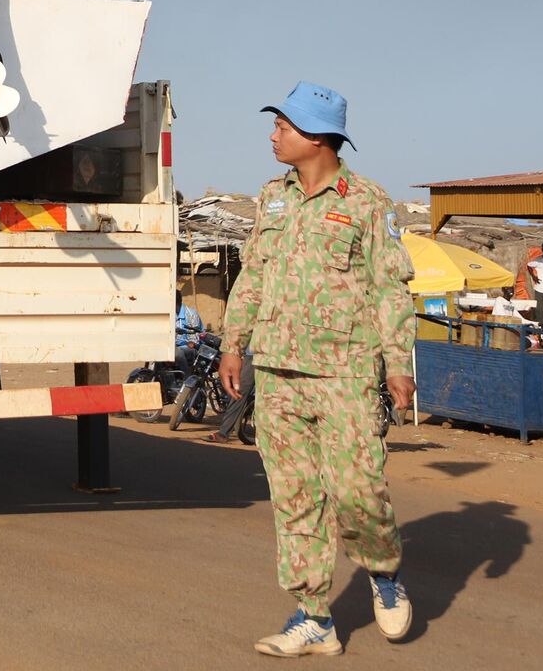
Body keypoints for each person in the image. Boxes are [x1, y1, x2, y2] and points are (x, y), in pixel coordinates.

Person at [218, 82, 417, 656]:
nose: (272, 135)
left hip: (345, 372)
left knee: (358, 489)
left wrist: (397, 363)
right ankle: (315, 618)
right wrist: (235, 344)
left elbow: (389, 289)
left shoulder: (367, 202)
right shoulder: (271, 198)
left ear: (317, 137)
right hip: (278, 372)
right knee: (295, 496)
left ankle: (383, 575)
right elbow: (252, 274)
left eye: (282, 126)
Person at [174, 288, 206, 373]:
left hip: (192, 347)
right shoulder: (171, 314)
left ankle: (187, 377)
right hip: (176, 346)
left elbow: (193, 341)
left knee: (178, 353)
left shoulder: (191, 315)